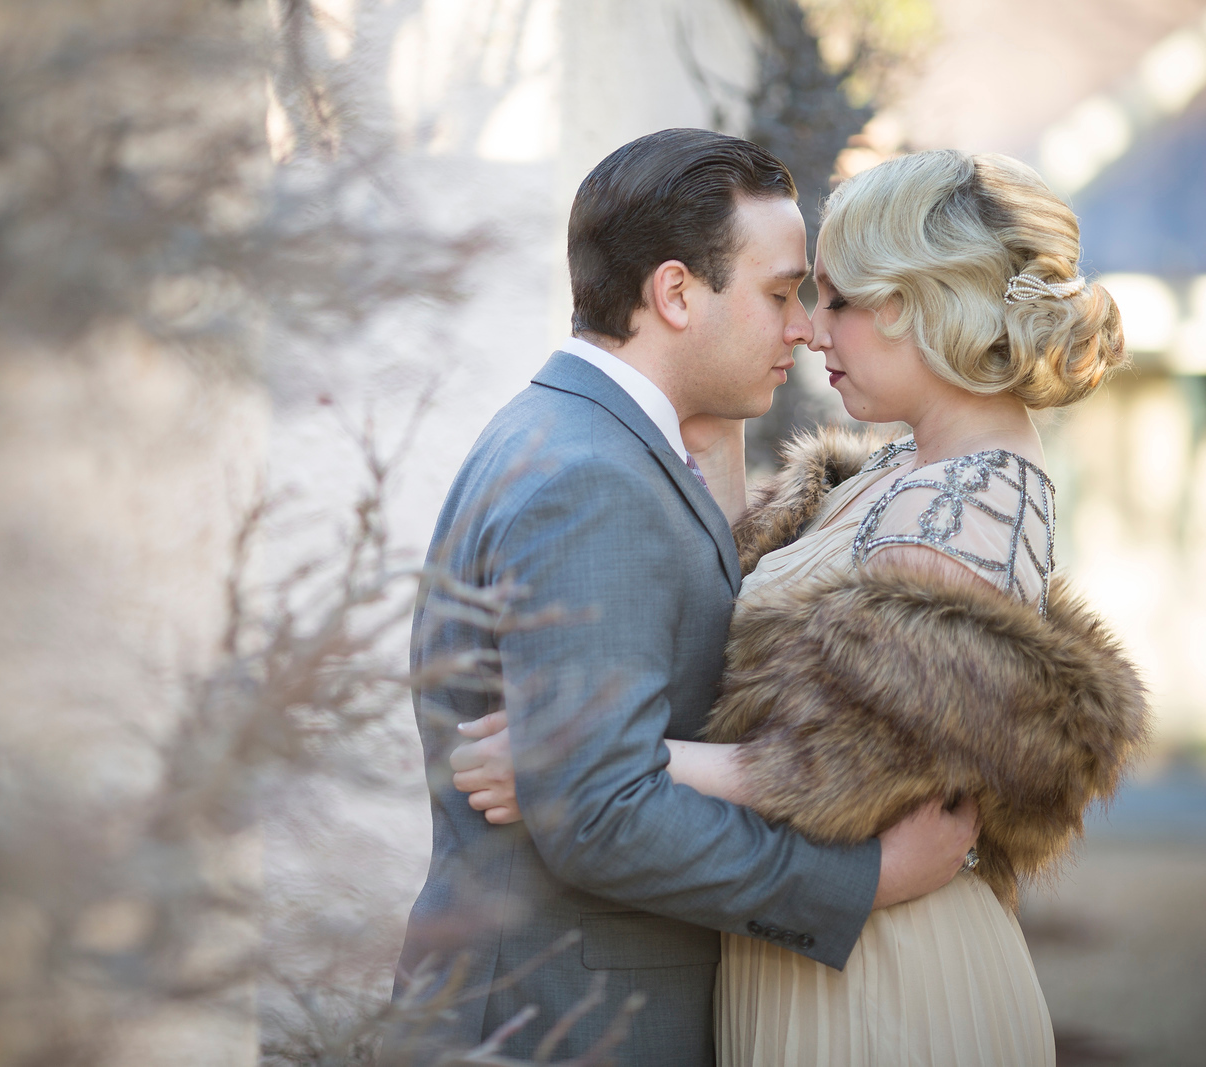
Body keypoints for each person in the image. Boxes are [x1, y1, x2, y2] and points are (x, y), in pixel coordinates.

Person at [448, 148, 1149, 1065]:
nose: (814, 331)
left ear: (922, 306)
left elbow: (854, 771)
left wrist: (573, 755)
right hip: (815, 952)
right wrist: (714, 397)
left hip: (883, 978)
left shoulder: (972, 502)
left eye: (836, 301)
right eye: (793, 297)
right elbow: (751, 610)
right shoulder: (906, 469)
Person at [390, 130, 982, 1067]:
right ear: (675, 293)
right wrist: (864, 876)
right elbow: (602, 813)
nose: (802, 327)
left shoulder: (576, 434)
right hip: (560, 1026)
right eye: (781, 293)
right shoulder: (593, 480)